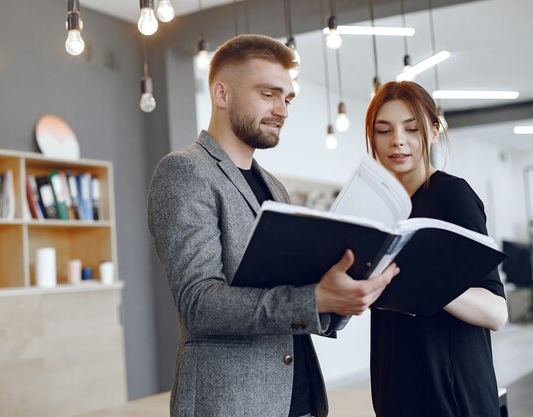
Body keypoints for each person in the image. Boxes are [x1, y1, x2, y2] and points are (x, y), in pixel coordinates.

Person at [147, 34, 399, 417]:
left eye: (288, 98)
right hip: (232, 403)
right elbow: (199, 304)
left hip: (297, 397)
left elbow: (292, 292)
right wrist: (316, 298)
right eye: (269, 94)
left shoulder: (274, 187)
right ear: (221, 93)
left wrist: (345, 293)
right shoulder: (185, 171)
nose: (282, 110)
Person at [365, 81, 508, 417]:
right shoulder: (380, 209)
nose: (397, 140)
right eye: (383, 130)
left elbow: (496, 311)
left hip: (450, 393)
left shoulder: (451, 195)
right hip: (396, 384)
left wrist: (421, 282)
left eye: (411, 129)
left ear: (433, 131)